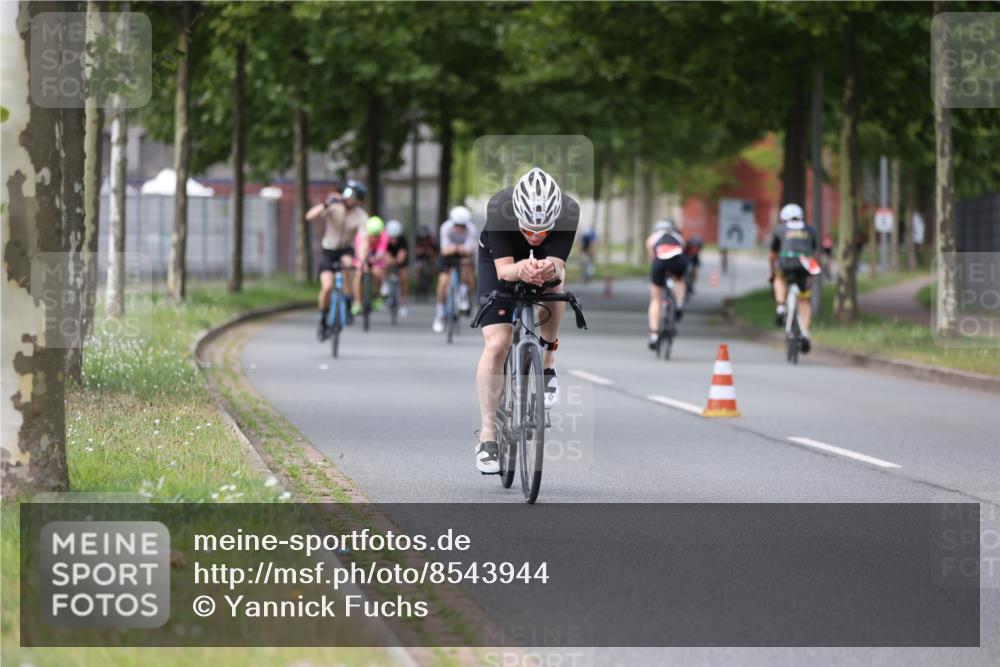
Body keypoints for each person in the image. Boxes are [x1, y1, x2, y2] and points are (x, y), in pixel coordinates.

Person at [474, 167, 579, 474]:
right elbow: (504, 270)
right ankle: (488, 437)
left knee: (557, 289)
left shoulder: (569, 211)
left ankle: (547, 363)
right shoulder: (500, 208)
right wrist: (521, 270)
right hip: (499, 260)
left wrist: (548, 269)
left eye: (543, 230)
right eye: (529, 229)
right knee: (498, 344)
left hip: (543, 261)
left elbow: (557, 264)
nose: (535, 236)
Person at [306, 179, 368, 340]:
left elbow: (363, 240)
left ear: (359, 200)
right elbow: (309, 216)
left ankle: (348, 302)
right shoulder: (334, 207)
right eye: (346, 193)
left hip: (346, 250)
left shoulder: (361, 216)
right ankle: (323, 319)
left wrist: (361, 259)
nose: (347, 197)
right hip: (329, 250)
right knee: (327, 287)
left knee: (349, 264)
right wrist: (326, 204)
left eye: (352, 195)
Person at [770, 203, 819, 353]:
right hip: (805, 264)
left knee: (779, 279)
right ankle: (805, 333)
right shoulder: (810, 229)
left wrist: (772, 271)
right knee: (804, 299)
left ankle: (780, 306)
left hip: (786, 262)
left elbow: (773, 254)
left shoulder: (780, 229)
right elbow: (814, 252)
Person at [432, 205, 478, 333]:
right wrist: (460, 248)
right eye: (457, 225)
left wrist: (458, 249)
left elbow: (470, 250)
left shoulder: (471, 229)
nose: (459, 228)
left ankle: (464, 296)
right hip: (448, 257)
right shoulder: (445, 227)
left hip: (464, 256)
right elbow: (445, 250)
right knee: (443, 283)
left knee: (468, 272)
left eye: (462, 226)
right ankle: (440, 314)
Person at [645, 219, 689, 350]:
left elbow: (653, 257)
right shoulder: (678, 237)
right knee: (679, 280)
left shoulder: (653, 238)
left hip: (660, 261)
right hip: (678, 260)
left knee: (655, 299)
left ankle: (654, 334)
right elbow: (683, 250)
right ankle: (679, 304)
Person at [353, 215, 390, 314]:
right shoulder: (361, 236)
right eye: (372, 235)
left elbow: (381, 253)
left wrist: (374, 259)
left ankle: (377, 296)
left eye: (377, 235)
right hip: (363, 254)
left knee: (377, 273)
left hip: (376, 256)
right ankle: (357, 302)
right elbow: (360, 253)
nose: (374, 238)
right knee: (358, 273)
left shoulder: (384, 235)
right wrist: (363, 262)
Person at [384, 219, 409, 317]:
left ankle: (403, 303)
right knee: (385, 265)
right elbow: (384, 253)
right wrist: (389, 260)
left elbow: (402, 255)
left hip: (400, 259)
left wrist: (397, 261)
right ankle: (385, 283)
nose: (393, 240)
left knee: (404, 277)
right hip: (389, 256)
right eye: (391, 238)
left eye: (395, 238)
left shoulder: (403, 241)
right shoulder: (385, 240)